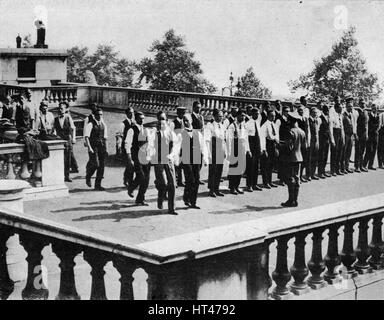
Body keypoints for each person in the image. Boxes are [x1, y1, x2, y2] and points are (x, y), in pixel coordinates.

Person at [150, 111, 179, 215]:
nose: (161, 121)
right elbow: (150, 146)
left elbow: (175, 145)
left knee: (172, 184)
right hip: (158, 160)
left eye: (163, 119)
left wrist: (171, 155)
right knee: (163, 183)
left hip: (169, 159)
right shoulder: (154, 132)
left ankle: (172, 208)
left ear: (167, 120)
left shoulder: (170, 132)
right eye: (159, 119)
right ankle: (160, 195)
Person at [179, 113, 208, 209]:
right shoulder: (181, 134)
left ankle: (193, 202)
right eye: (184, 121)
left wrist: (205, 159)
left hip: (196, 159)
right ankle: (186, 198)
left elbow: (203, 146)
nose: (186, 122)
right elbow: (177, 148)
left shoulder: (197, 133)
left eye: (187, 120)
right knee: (190, 179)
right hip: (186, 159)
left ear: (191, 120)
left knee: (196, 180)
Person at [280, 112, 306, 207]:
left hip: (291, 158)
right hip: (299, 157)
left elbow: (288, 147)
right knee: (297, 178)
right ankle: (295, 200)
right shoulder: (302, 132)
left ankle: (291, 200)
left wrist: (280, 145)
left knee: (290, 179)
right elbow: (303, 146)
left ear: (291, 121)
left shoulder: (290, 132)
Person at [125, 111, 151, 206]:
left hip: (145, 156)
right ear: (136, 119)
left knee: (146, 179)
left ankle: (140, 199)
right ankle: (131, 188)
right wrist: (129, 158)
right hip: (136, 156)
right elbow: (127, 144)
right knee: (141, 176)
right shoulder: (132, 130)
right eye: (140, 119)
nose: (142, 120)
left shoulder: (145, 130)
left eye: (143, 118)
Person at [226, 109, 250, 194]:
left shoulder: (244, 126)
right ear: (237, 116)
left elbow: (246, 139)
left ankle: (237, 186)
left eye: (244, 116)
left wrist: (248, 150)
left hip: (242, 149)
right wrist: (228, 152)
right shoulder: (232, 126)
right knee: (233, 168)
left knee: (240, 168)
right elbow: (229, 140)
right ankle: (232, 187)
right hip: (234, 149)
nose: (243, 117)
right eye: (241, 115)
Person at [84, 106, 108, 190]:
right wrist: (89, 148)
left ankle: (98, 185)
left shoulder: (103, 125)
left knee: (101, 166)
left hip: (101, 147)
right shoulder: (90, 124)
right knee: (95, 164)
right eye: (98, 114)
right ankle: (88, 176)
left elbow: (105, 138)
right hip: (93, 147)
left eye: (101, 115)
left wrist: (106, 148)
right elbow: (86, 137)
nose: (100, 116)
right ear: (94, 115)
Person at [53, 102, 76, 182]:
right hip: (59, 141)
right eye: (59, 108)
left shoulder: (68, 117)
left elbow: (73, 128)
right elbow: (54, 129)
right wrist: (55, 136)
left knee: (67, 159)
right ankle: (59, 176)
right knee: (59, 159)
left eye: (62, 108)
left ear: (65, 109)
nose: (60, 110)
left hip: (67, 140)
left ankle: (67, 176)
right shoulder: (55, 119)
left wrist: (73, 138)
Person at [206, 109, 226, 197]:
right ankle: (211, 189)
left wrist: (225, 150)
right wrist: (208, 153)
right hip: (213, 148)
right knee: (213, 170)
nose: (221, 118)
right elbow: (207, 139)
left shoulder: (222, 126)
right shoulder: (210, 125)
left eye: (222, 116)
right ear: (214, 116)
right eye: (219, 116)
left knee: (219, 169)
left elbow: (223, 140)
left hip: (220, 149)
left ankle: (217, 188)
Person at [244, 106, 264, 192]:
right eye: (255, 114)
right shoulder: (248, 124)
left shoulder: (258, 123)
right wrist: (248, 150)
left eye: (258, 114)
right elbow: (246, 139)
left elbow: (260, 136)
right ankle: (249, 185)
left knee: (256, 166)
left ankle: (254, 184)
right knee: (250, 167)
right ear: (252, 114)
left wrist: (262, 148)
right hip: (251, 146)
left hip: (257, 146)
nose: (257, 115)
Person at [260, 110, 279, 189]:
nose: (273, 117)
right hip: (267, 145)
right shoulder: (265, 125)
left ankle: (270, 181)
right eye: (271, 116)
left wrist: (277, 146)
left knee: (271, 164)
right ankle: (265, 182)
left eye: (274, 116)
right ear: (268, 116)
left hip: (273, 145)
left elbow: (276, 135)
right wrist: (264, 149)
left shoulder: (274, 125)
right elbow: (262, 138)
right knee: (266, 165)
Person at [118, 107, 135, 187]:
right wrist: (119, 145)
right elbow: (119, 136)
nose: (131, 114)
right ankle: (129, 181)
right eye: (130, 113)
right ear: (126, 114)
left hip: (134, 146)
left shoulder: (135, 122)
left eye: (132, 113)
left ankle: (126, 179)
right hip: (126, 146)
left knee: (131, 165)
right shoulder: (123, 124)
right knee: (129, 164)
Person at [170, 106, 186, 187]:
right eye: (181, 113)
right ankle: (175, 180)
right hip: (176, 145)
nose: (182, 115)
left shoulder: (185, 122)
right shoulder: (173, 123)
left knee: (181, 163)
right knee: (176, 164)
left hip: (183, 145)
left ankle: (180, 180)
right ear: (177, 113)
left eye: (183, 113)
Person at [275, 105, 291, 186]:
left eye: (288, 111)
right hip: (282, 142)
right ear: (283, 112)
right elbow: (276, 131)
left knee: (288, 161)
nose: (287, 113)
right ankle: (281, 179)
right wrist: (277, 142)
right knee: (282, 162)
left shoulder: (289, 120)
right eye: (286, 111)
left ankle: (286, 178)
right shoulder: (279, 120)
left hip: (288, 142)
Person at [342, 96, 358, 174]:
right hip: (345, 135)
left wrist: (354, 134)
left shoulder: (352, 114)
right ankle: (342, 168)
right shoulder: (343, 114)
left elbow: (354, 124)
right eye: (349, 107)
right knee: (344, 152)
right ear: (346, 106)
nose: (350, 108)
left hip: (351, 135)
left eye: (351, 106)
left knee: (349, 151)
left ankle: (347, 167)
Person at [191, 101, 206, 185]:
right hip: (193, 140)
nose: (198, 109)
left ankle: (197, 177)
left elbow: (203, 128)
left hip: (200, 140)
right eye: (197, 107)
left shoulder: (201, 117)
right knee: (194, 161)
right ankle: (194, 178)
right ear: (193, 108)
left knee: (200, 160)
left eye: (199, 107)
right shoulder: (190, 117)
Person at [329, 101, 345, 176]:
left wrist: (343, 137)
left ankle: (337, 169)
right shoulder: (332, 115)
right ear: (336, 108)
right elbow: (331, 128)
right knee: (334, 153)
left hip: (340, 134)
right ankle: (333, 170)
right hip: (335, 133)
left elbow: (342, 127)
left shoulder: (340, 115)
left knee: (339, 153)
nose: (341, 109)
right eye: (340, 108)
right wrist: (332, 139)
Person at [363, 103, 380, 170]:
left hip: (375, 135)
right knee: (369, 150)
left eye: (376, 108)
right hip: (370, 135)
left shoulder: (378, 116)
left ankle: (371, 165)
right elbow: (368, 125)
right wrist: (373, 128)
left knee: (374, 150)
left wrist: (376, 129)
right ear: (371, 108)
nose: (375, 109)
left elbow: (378, 125)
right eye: (373, 108)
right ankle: (364, 165)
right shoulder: (369, 116)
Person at [297, 105, 311, 182]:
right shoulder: (296, 119)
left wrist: (307, 141)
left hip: (304, 141)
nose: (301, 112)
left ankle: (301, 175)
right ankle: (297, 176)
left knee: (304, 159)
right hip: (298, 141)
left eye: (302, 110)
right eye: (299, 111)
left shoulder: (306, 119)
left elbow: (308, 130)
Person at [355, 99, 369, 172]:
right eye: (362, 103)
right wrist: (356, 134)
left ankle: (361, 166)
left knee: (362, 150)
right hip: (358, 133)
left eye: (364, 103)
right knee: (358, 150)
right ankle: (356, 166)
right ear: (359, 104)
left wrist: (366, 134)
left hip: (364, 134)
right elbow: (355, 123)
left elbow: (366, 124)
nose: (363, 105)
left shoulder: (366, 112)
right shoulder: (357, 112)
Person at [318, 104, 331, 178]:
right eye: (327, 110)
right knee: (321, 156)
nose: (328, 111)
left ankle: (323, 171)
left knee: (325, 155)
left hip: (327, 139)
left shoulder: (328, 118)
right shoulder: (320, 118)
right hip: (322, 139)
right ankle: (320, 172)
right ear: (324, 110)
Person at [308, 106, 321, 180]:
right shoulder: (309, 120)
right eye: (314, 113)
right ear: (311, 113)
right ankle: (308, 175)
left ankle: (313, 174)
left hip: (316, 140)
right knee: (309, 158)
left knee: (315, 158)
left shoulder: (317, 120)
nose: (316, 114)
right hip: (311, 140)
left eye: (316, 113)